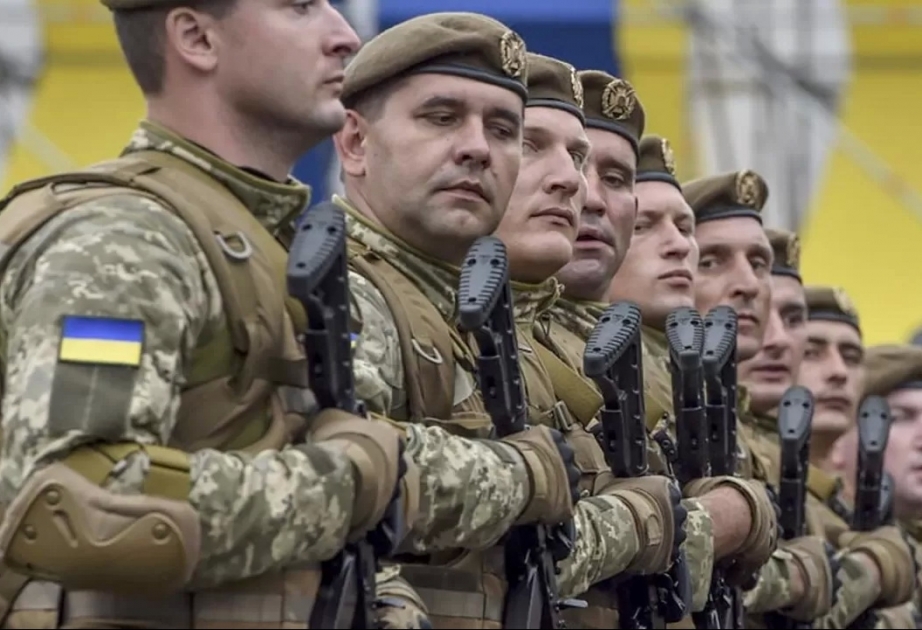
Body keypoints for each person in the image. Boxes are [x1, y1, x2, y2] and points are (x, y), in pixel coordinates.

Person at [0, 3, 580, 628]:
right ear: (196, 37)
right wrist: (365, 480)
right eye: (300, 6)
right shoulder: (124, 238)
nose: (344, 35)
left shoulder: (258, 247)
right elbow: (71, 510)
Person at [337, 31, 685, 625]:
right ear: (354, 142)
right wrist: (638, 521)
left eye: (502, 131)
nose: (575, 184)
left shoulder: (490, 323)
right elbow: (342, 496)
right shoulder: (350, 294)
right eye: (442, 118)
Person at [734, 230, 918, 627]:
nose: (837, 373)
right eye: (815, 352)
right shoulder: (743, 462)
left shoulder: (833, 502)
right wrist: (874, 566)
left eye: (851, 357)